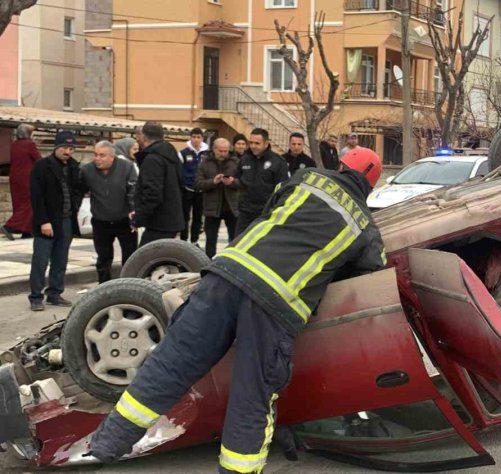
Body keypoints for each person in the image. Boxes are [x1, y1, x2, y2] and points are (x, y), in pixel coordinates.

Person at [87, 147, 386, 474]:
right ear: (369, 186)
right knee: (251, 398)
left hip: (226, 274)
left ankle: (107, 444)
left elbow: (269, 212)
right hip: (275, 304)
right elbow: (372, 268)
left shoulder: (305, 177)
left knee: (170, 365)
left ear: (340, 166)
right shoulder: (364, 225)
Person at [28, 131, 82, 311]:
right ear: (56, 147)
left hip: (66, 220)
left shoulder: (74, 167)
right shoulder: (42, 167)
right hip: (47, 221)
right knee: (41, 260)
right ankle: (36, 296)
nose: (68, 151)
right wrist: (43, 221)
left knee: (61, 260)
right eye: (65, 148)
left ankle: (55, 293)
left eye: (71, 148)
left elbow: (78, 190)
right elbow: (37, 197)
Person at [80, 141, 138, 283]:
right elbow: (78, 189)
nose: (97, 159)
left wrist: (134, 212)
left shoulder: (126, 167)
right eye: (96, 155)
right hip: (101, 221)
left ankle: (128, 284)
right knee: (103, 258)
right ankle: (104, 286)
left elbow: (133, 191)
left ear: (112, 157)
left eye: (102, 155)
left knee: (130, 256)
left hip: (124, 220)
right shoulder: (87, 170)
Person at [133, 122, 185, 246]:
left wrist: (139, 218)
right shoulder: (172, 155)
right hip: (172, 219)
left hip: (159, 222)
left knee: (144, 261)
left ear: (144, 137)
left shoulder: (153, 159)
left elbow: (152, 193)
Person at [234, 128, 288, 235]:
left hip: (265, 213)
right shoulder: (245, 159)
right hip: (245, 212)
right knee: (237, 243)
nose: (253, 146)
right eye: (251, 143)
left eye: (257, 143)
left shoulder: (278, 162)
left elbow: (282, 189)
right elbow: (239, 180)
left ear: (266, 143)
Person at [195, 138, 240, 258]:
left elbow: (243, 183)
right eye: (220, 151)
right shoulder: (205, 163)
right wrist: (213, 182)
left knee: (235, 239)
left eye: (225, 151)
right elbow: (198, 184)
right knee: (210, 240)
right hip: (212, 207)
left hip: (231, 207)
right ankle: (208, 263)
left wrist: (232, 182)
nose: (223, 154)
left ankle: (232, 262)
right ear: (214, 149)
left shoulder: (235, 162)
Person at [2, 124, 41, 240]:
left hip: (14, 177)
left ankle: (26, 230)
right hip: (27, 178)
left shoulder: (14, 144)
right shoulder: (30, 144)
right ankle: (9, 227)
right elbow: (38, 160)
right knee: (29, 204)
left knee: (19, 204)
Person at [180, 128, 209, 245]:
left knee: (198, 217)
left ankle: (194, 240)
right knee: (185, 216)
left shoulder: (207, 154)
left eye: (198, 137)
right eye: (194, 137)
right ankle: (183, 240)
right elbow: (179, 170)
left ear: (202, 138)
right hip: (187, 189)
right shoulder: (183, 153)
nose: (196, 139)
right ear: (190, 137)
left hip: (201, 190)